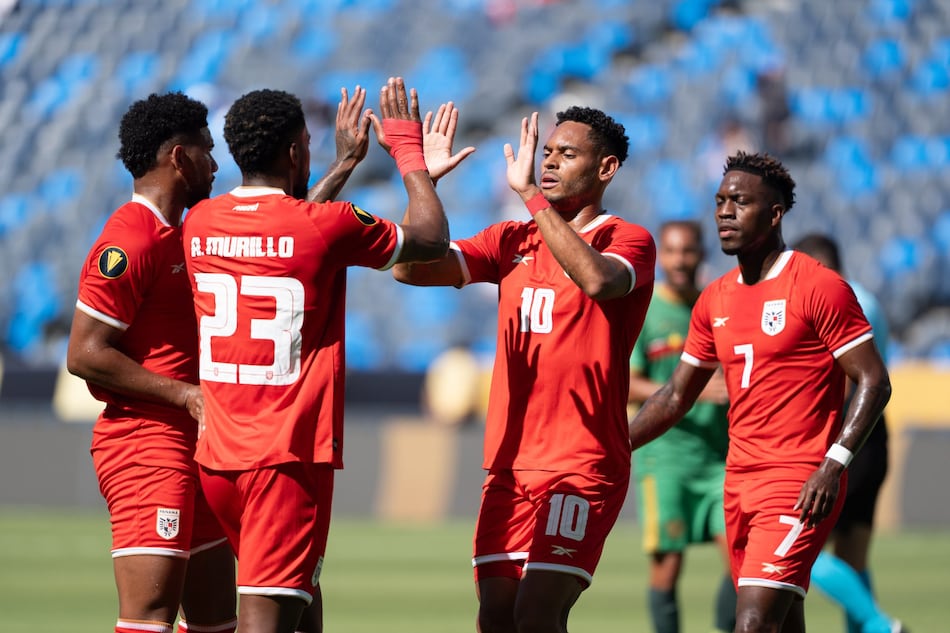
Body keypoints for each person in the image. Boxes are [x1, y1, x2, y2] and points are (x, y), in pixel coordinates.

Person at [181, 77, 449, 633]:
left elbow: (286, 232)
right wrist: (407, 151)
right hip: (284, 461)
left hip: (217, 459)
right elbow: (430, 239)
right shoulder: (331, 224)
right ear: (297, 149)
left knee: (303, 609)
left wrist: (344, 166)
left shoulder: (200, 223)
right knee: (267, 621)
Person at [394, 104, 657, 633]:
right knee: (495, 617)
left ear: (606, 169)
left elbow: (598, 281)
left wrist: (533, 199)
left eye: (568, 154)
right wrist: (423, 182)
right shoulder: (510, 240)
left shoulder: (628, 240)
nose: (551, 163)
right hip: (511, 466)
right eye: (549, 153)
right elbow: (407, 270)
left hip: (581, 463)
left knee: (536, 614)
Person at [628, 151, 891, 633]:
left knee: (749, 621)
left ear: (774, 214)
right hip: (738, 482)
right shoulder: (715, 298)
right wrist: (614, 444)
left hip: (798, 483)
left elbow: (874, 379)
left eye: (740, 202)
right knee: (784, 620)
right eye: (721, 201)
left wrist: (833, 464)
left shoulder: (818, 286)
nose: (725, 212)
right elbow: (675, 395)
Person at [66, 92, 237, 633]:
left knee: (217, 621)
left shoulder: (185, 232)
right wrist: (185, 395)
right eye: (207, 151)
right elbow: (84, 354)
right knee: (149, 619)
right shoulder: (130, 239)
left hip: (199, 444)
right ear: (179, 158)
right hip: (146, 444)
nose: (216, 163)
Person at [792, 233, 906, 633]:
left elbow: (846, 377)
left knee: (795, 546)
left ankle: (879, 624)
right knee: (853, 559)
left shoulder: (836, 300)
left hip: (843, 435)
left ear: (815, 265)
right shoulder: (869, 298)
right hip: (875, 435)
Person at [628, 220, 736, 633]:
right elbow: (627, 383)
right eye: (670, 251)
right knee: (667, 569)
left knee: (741, 563)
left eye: (687, 251)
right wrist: (690, 390)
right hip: (665, 457)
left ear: (701, 254)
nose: (679, 260)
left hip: (720, 459)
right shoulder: (645, 311)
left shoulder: (717, 307)